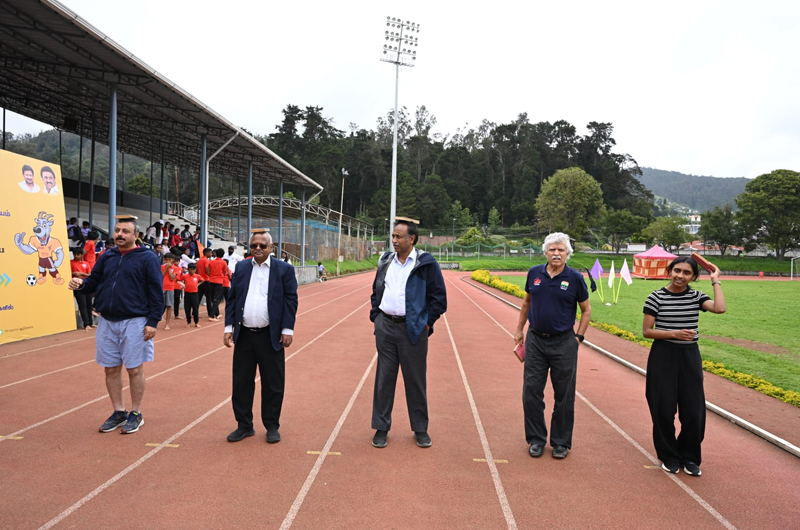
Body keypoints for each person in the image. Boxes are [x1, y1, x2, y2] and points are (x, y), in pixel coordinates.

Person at [68, 215, 164, 434]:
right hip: (107, 320)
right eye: (117, 230)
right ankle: (119, 412)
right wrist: (81, 283)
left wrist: (152, 322)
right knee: (110, 369)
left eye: (125, 231)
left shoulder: (147, 258)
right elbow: (94, 281)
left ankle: (136, 413)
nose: (120, 234)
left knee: (134, 368)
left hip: (135, 320)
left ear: (136, 235)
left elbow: (156, 291)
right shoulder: (107, 256)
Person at [642, 256, 726, 477]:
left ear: (694, 276)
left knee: (693, 411)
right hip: (663, 356)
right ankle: (669, 456)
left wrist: (715, 280)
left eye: (687, 272)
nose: (680, 276)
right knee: (663, 409)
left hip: (689, 357)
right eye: (677, 270)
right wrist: (674, 334)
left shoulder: (697, 297)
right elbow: (647, 331)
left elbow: (719, 309)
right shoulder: (656, 297)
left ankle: (690, 457)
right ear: (669, 271)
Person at [369, 217, 447, 449]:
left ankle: (420, 429)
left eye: (398, 237)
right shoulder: (386, 261)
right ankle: (381, 428)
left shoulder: (425, 264)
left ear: (411, 239)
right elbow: (376, 290)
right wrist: (376, 317)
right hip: (385, 327)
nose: (394, 240)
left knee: (415, 380)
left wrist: (426, 323)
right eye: (393, 236)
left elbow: (439, 298)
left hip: (413, 329)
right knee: (384, 379)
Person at [513, 232, 591, 460]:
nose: (556, 254)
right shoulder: (534, 273)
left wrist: (578, 338)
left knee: (564, 395)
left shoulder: (575, 278)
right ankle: (536, 439)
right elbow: (526, 302)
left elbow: (586, 310)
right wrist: (519, 330)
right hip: (536, 340)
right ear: (545, 252)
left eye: (561, 250)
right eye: (552, 250)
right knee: (531, 392)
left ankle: (560, 442)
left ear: (567, 253)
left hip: (564, 342)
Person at [223, 229, 298, 444]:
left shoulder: (283, 269)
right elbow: (233, 299)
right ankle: (244, 425)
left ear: (271, 248)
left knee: (273, 384)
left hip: (270, 336)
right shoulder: (242, 267)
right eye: (253, 245)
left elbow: (291, 300)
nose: (257, 249)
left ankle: (272, 425)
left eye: (262, 246)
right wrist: (229, 327)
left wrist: (287, 329)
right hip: (244, 335)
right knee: (241, 383)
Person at [70, 247, 94, 330]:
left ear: (81, 255)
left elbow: (90, 274)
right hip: (77, 285)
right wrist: (74, 273)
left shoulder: (86, 263)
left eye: (78, 254)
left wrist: (81, 274)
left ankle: (91, 322)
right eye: (74, 254)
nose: (76, 256)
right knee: (82, 304)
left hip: (86, 284)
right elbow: (68, 273)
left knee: (89, 304)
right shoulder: (70, 262)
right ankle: (86, 324)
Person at [161, 254, 180, 330]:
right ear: (164, 260)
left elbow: (172, 278)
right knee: (159, 304)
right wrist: (166, 267)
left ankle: (167, 324)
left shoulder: (176, 268)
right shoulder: (162, 267)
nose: (168, 261)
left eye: (169, 259)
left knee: (169, 305)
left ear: (172, 260)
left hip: (170, 288)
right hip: (162, 288)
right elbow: (161, 276)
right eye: (166, 260)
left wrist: (169, 269)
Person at [183, 262, 203, 327]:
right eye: (190, 269)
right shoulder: (185, 276)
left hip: (194, 294)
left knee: (195, 308)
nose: (191, 271)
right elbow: (178, 280)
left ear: (195, 270)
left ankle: (196, 322)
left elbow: (202, 280)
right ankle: (188, 322)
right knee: (187, 308)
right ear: (188, 269)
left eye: (193, 269)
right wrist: (183, 285)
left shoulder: (197, 276)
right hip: (187, 293)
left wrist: (197, 285)